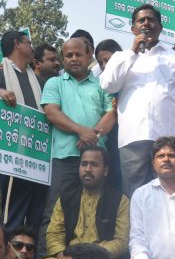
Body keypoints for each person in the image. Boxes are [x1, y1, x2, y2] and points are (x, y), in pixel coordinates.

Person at [100, 3, 175, 197]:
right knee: (135, 196)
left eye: (151, 19)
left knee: (169, 193)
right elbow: (108, 85)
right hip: (132, 139)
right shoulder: (121, 57)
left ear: (160, 27)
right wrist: (132, 52)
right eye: (141, 20)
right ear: (133, 29)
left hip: (168, 138)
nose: (146, 23)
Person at [39, 38, 117, 245]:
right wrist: (82, 132)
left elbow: (112, 113)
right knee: (54, 211)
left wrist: (93, 137)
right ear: (63, 58)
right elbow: (52, 113)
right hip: (64, 159)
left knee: (98, 212)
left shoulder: (103, 83)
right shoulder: (54, 83)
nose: (74, 59)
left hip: (97, 159)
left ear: (89, 55)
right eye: (68, 56)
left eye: (78, 54)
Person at [35, 146, 129, 259]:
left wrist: (93, 255)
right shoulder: (65, 199)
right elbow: (53, 234)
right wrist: (62, 255)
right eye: (84, 164)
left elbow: (122, 241)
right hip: (67, 258)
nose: (88, 169)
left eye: (94, 164)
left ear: (105, 170)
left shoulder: (120, 200)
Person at [0, 31, 48, 231]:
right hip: (12, 160)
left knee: (38, 215)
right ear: (17, 44)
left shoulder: (39, 81)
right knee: (14, 216)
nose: (32, 47)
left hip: (38, 159)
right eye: (29, 42)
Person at [94, 39, 125, 192]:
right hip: (110, 137)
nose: (105, 65)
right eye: (100, 62)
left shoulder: (131, 74)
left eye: (108, 59)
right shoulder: (101, 83)